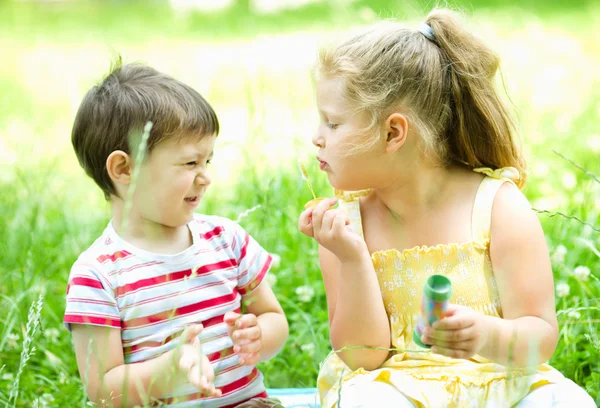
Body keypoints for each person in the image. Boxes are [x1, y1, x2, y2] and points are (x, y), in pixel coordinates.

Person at [298, 8, 595, 408]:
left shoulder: (497, 207)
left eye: (332, 123)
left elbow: (539, 339)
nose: (316, 138)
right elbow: (361, 356)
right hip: (398, 387)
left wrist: (488, 336)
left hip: (500, 382)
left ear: (393, 133)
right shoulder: (346, 227)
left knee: (565, 401)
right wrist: (351, 258)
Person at [64, 60, 288, 407]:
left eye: (207, 161)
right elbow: (102, 390)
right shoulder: (98, 275)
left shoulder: (226, 240)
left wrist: (260, 336)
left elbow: (272, 317)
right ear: (124, 168)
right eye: (189, 163)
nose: (205, 176)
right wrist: (166, 372)